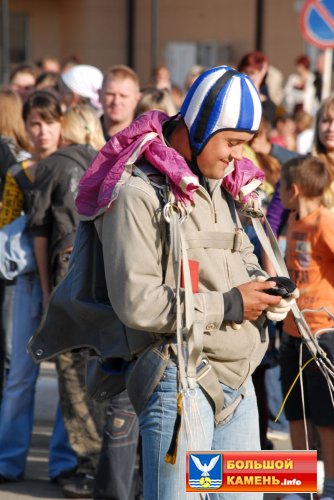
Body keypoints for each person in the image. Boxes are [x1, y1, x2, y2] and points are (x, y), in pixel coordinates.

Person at [76, 65, 298, 500]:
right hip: (180, 386)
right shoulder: (137, 194)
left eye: (243, 145)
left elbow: (246, 257)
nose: (238, 156)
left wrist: (267, 291)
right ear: (199, 128)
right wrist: (232, 304)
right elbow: (138, 302)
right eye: (231, 142)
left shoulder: (224, 186)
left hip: (240, 387)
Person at [28, 104, 106, 498]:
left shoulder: (55, 164)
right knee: (104, 366)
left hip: (68, 266)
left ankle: (87, 464)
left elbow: (41, 233)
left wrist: (45, 291)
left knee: (72, 371)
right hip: (107, 271)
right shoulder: (111, 161)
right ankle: (112, 462)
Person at [0, 90, 77, 483]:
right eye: (34, 123)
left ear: (60, 124)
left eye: (48, 122)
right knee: (19, 375)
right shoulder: (22, 172)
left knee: (68, 374)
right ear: (26, 126)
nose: (42, 130)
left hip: (66, 280)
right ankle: (8, 461)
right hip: (27, 281)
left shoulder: (71, 166)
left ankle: (62, 464)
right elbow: (7, 224)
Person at [279, 155, 334, 500]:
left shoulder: (324, 222)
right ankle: (302, 485)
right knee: (296, 412)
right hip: (290, 332)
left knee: (326, 417)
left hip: (322, 334)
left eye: (281, 187)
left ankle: (329, 485)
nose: (278, 194)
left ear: (294, 189)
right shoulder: (292, 219)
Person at [0, 89, 32, 401]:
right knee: (11, 345)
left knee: (10, 346)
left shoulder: (11, 157)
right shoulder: (24, 157)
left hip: (9, 260)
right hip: (16, 261)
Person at [99, 65, 141, 140]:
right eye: (110, 94)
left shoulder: (145, 142)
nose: (116, 101)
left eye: (123, 96)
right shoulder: (83, 137)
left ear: (137, 99)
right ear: (99, 95)